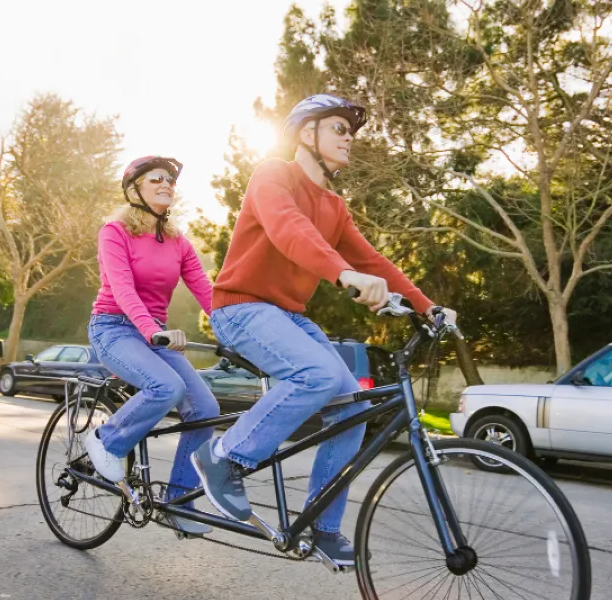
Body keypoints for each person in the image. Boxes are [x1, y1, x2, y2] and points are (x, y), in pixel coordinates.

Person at [191, 94, 457, 565]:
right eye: (338, 127)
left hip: (288, 315)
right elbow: (289, 228)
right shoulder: (274, 174)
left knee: (349, 403)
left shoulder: (335, 206)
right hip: (241, 307)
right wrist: (343, 274)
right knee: (315, 375)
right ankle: (225, 456)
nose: (349, 136)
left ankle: (323, 525)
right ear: (305, 133)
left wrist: (427, 306)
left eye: (350, 130)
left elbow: (372, 260)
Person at [85, 155, 219, 536]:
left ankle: (179, 502)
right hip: (114, 328)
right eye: (156, 179)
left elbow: (207, 293)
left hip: (153, 333)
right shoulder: (115, 231)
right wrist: (151, 330)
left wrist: (237, 334)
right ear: (135, 190)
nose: (166, 185)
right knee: (166, 386)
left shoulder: (178, 242)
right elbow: (123, 289)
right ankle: (106, 439)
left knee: (205, 408)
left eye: (170, 181)